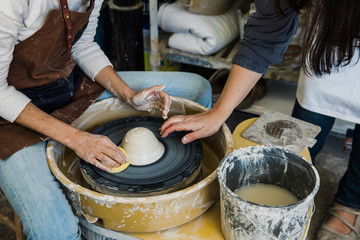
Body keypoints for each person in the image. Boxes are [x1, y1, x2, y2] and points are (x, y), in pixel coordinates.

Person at [0, 0, 211, 239]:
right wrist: (78, 139)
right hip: (12, 119)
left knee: (196, 89)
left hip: (67, 88)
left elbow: (83, 47)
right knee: (55, 231)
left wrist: (129, 96)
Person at [160, 0, 360, 239]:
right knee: (304, 129)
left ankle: (350, 203)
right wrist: (219, 112)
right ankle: (293, 185)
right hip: (329, 37)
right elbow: (265, 33)